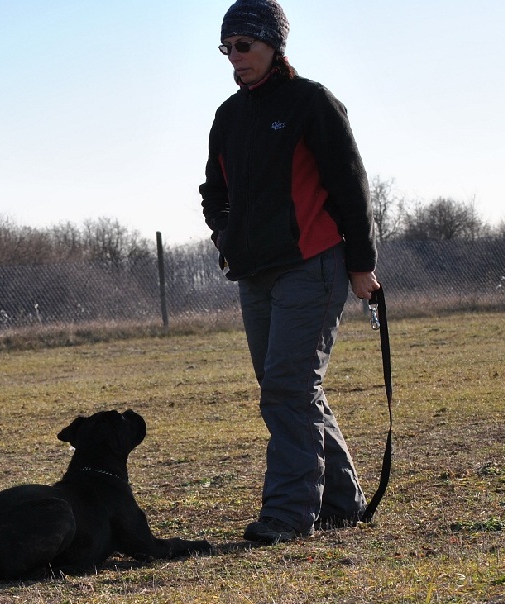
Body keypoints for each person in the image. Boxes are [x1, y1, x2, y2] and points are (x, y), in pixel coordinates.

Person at [199, 0, 380, 544]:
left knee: (286, 387)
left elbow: (351, 187)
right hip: (254, 274)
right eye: (227, 48)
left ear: (274, 45)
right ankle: (342, 503)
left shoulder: (311, 103)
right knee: (290, 388)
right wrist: (225, 233)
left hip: (313, 265)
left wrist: (361, 266)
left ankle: (287, 516)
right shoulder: (229, 115)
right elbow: (215, 189)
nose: (235, 58)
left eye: (244, 45)